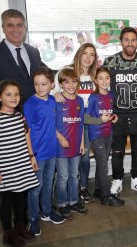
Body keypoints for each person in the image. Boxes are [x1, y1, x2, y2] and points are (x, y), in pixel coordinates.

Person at [0, 80, 39, 247]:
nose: (13, 97)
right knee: (7, 202)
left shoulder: (18, 116)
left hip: (21, 167)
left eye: (16, 94)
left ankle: (20, 226)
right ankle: (8, 233)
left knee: (20, 199)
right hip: (6, 171)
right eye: (9, 94)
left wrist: (31, 157)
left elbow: (24, 140)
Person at [103, 27, 137, 198]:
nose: (130, 43)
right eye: (126, 40)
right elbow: (101, 85)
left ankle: (136, 179)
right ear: (121, 41)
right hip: (118, 113)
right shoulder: (110, 62)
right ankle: (116, 179)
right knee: (117, 150)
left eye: (133, 40)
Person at [0, 9, 45, 126]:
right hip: (7, 120)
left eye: (19, 25)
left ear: (25, 28)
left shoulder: (33, 52)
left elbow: (47, 73)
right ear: (3, 28)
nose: (16, 29)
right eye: (10, 25)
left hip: (37, 117)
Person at [52, 43, 98, 204]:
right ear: (79, 54)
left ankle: (82, 187)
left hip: (91, 120)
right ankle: (70, 191)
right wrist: (56, 93)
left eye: (92, 54)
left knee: (84, 158)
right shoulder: (68, 71)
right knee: (76, 156)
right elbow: (51, 90)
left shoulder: (95, 75)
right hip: (71, 121)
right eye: (85, 53)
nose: (88, 57)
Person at [24, 67, 65, 236]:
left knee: (49, 184)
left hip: (52, 152)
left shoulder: (52, 101)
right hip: (38, 155)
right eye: (36, 84)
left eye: (44, 84)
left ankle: (46, 211)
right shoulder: (29, 104)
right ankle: (33, 218)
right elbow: (27, 132)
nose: (40, 87)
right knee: (35, 188)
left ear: (51, 85)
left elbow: (52, 125)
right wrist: (31, 155)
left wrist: (60, 137)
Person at [85, 67, 124, 207]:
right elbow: (85, 118)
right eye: (100, 78)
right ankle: (106, 196)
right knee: (103, 165)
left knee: (102, 163)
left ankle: (98, 190)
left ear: (110, 80)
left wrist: (114, 117)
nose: (104, 81)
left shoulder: (112, 95)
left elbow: (110, 113)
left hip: (109, 133)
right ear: (95, 80)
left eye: (107, 78)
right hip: (97, 135)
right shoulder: (93, 97)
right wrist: (100, 120)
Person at [55, 68, 87, 220]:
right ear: (60, 84)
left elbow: (80, 124)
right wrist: (60, 137)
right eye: (66, 82)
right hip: (60, 148)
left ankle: (74, 201)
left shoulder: (80, 101)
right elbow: (50, 124)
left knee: (74, 175)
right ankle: (62, 203)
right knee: (63, 177)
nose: (71, 85)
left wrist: (81, 143)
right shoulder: (56, 100)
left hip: (75, 146)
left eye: (74, 81)